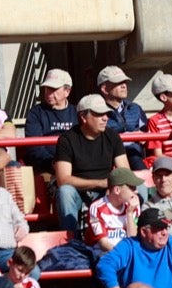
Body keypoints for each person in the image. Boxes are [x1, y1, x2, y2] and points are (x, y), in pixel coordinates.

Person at [53, 94, 130, 236]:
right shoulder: (66, 140)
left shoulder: (112, 136)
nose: (105, 118)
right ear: (83, 117)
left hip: (108, 191)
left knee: (140, 188)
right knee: (65, 192)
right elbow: (63, 179)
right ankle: (71, 242)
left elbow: (125, 172)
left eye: (106, 114)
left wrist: (112, 187)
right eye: (99, 114)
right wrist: (101, 183)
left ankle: (135, 238)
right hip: (79, 194)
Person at [22, 68, 76, 169]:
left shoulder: (77, 112)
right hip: (46, 167)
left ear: (67, 91)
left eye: (54, 89)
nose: (49, 93)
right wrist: (54, 163)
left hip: (76, 165)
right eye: (47, 88)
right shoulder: (36, 113)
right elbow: (34, 147)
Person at [95, 65, 149, 165]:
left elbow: (146, 135)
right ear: (104, 89)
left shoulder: (135, 108)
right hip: (107, 161)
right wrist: (128, 137)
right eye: (118, 83)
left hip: (135, 157)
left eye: (124, 82)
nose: (124, 86)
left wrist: (143, 137)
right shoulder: (96, 112)